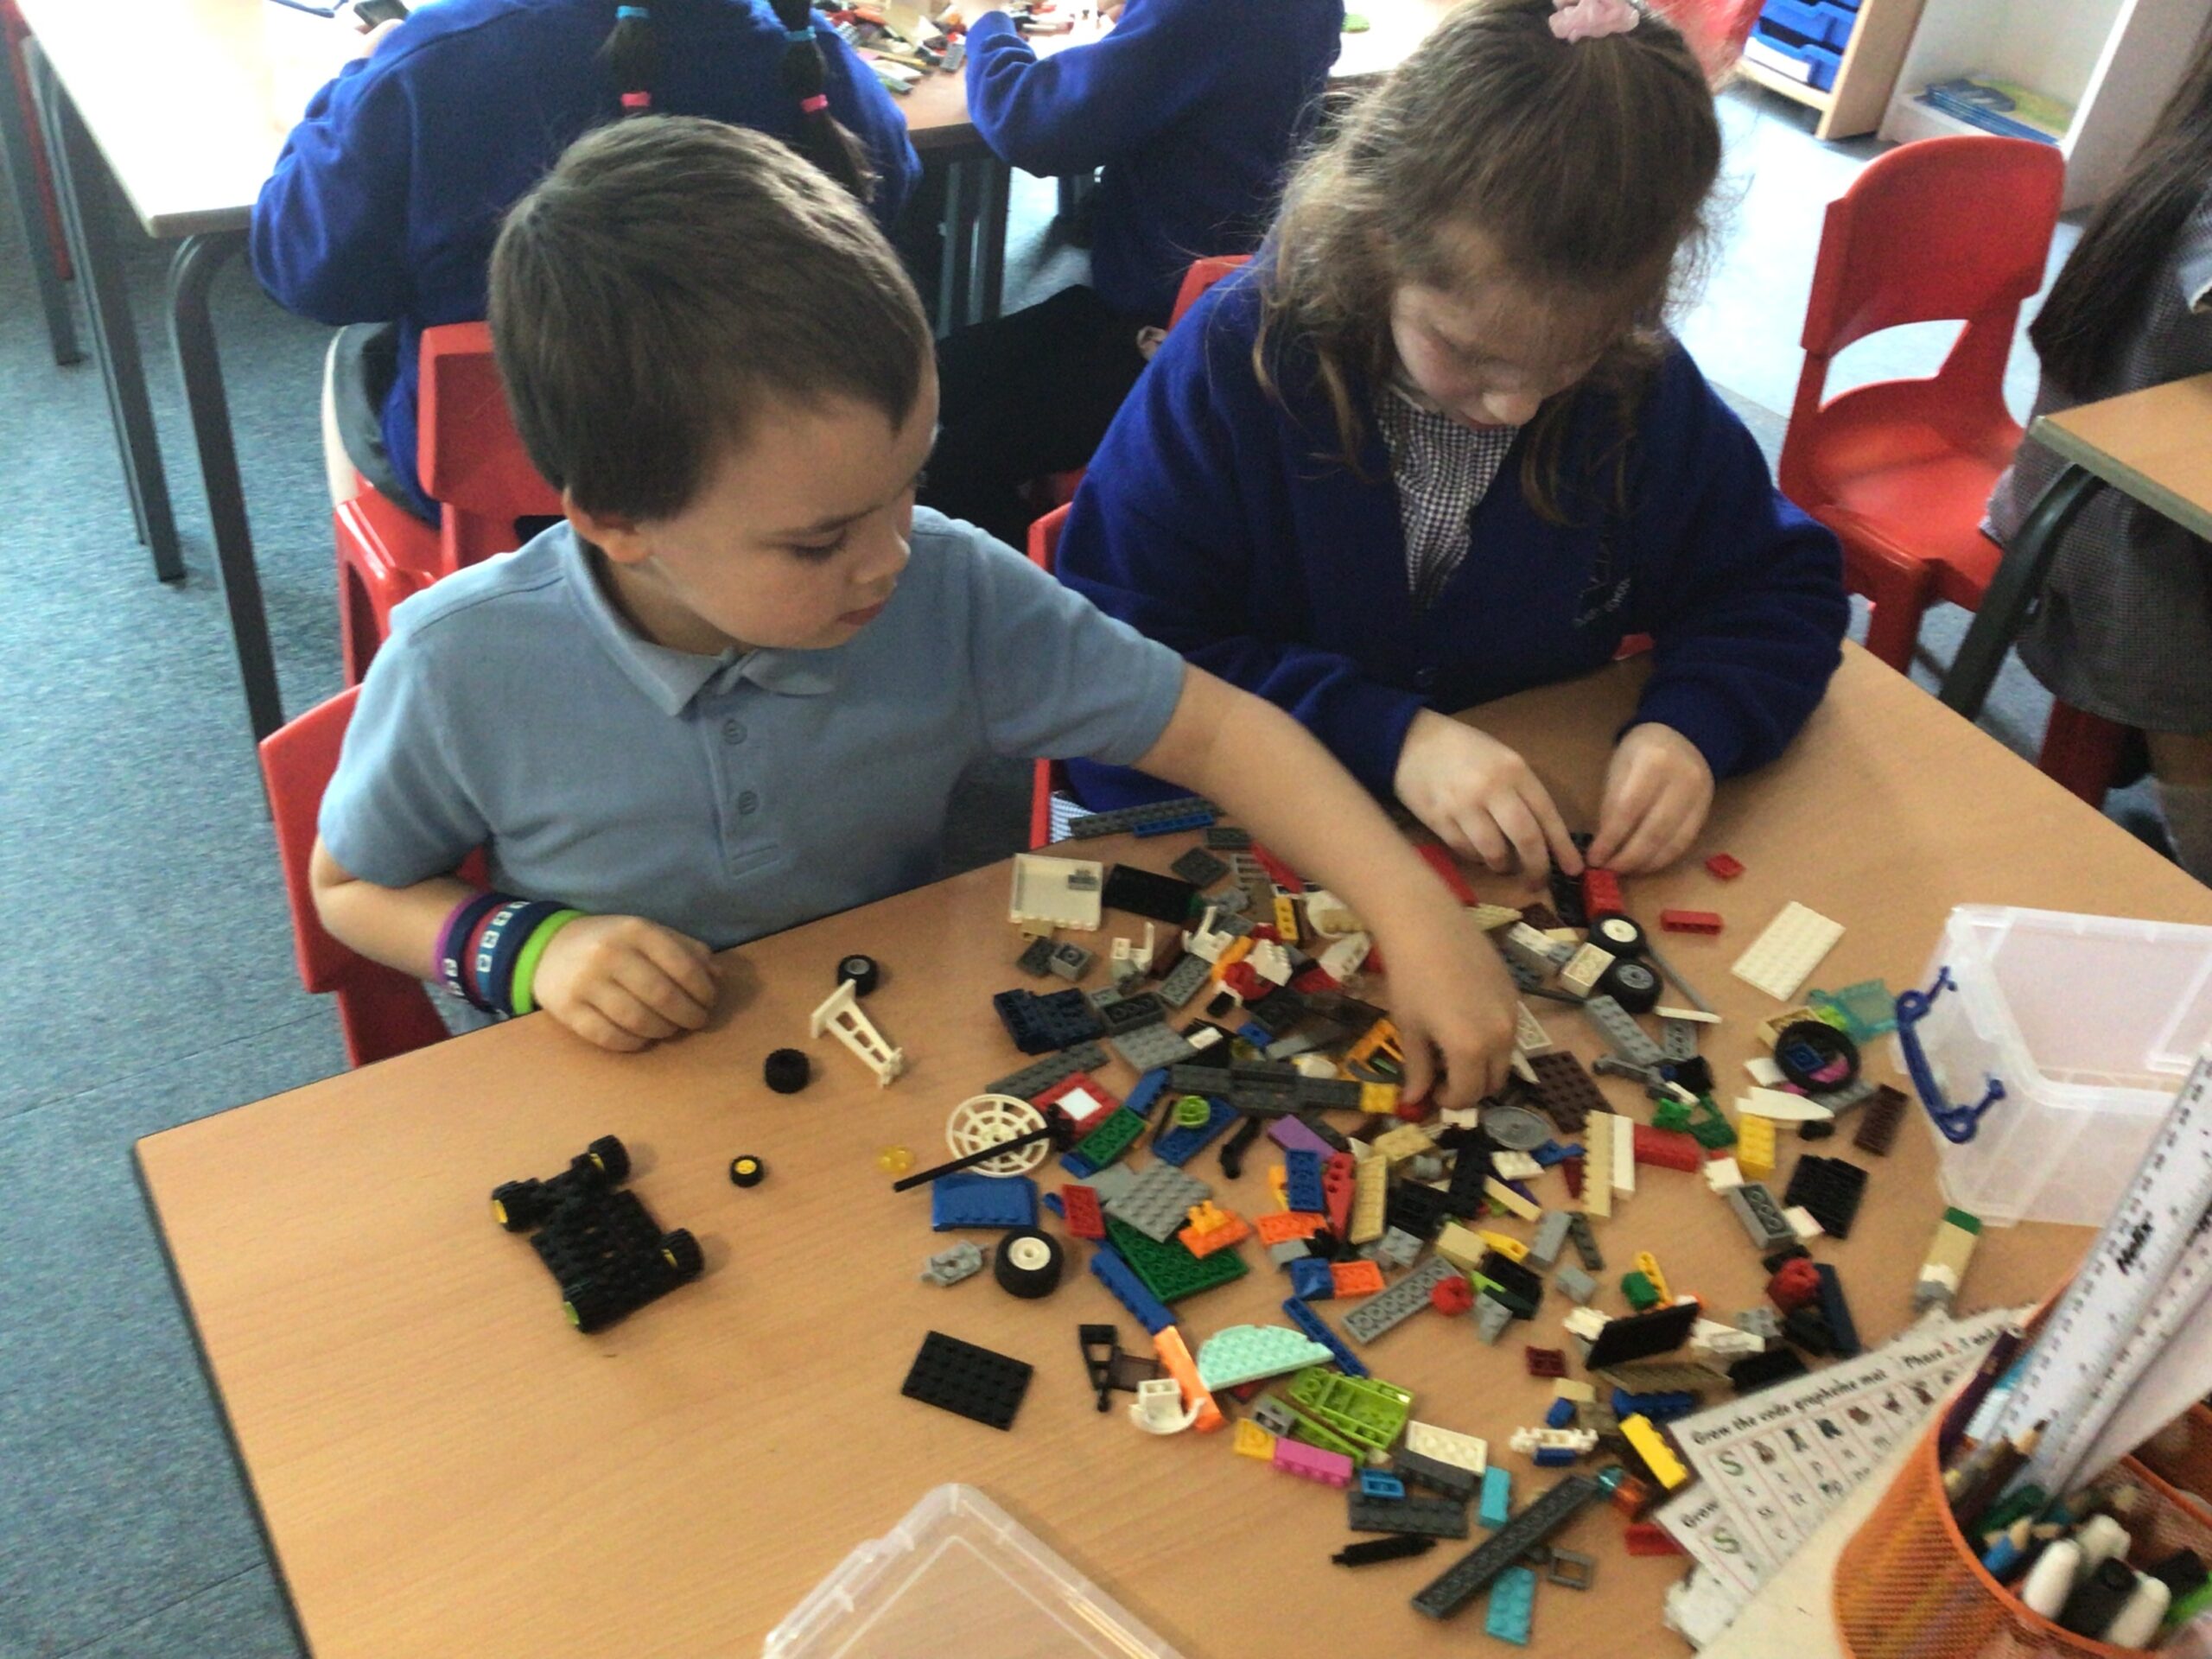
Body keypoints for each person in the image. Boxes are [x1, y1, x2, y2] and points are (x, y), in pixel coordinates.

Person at [309, 116, 1519, 1105]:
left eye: (910, 487)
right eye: (818, 540)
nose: (889, 559)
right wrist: (534, 950)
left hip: (876, 1057)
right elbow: (353, 888)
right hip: (610, 1092)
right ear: (618, 520)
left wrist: (1413, 915)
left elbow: (1216, 729)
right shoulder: (461, 664)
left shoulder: (951, 588)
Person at [1053, 0, 1848, 878]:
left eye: (1568, 358)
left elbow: (1777, 584)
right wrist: (1387, 735)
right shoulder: (1236, 366)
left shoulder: (1634, 378)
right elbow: (1118, 660)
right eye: (1468, 353)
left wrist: (1695, 724)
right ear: (1379, 241)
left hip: (1486, 858)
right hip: (1232, 837)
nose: (1515, 406)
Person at [251, 0, 919, 523]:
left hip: (505, 498)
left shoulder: (433, 59)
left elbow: (306, 272)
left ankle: (415, 628)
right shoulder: (812, 58)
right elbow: (884, 216)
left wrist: (352, 76)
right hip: (766, 485)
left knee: (353, 354)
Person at [916, 0, 1344, 546]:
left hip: (1171, 334)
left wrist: (988, 20)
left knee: (949, 461)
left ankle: (1048, 579)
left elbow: (1030, 124)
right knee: (934, 375)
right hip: (1211, 297)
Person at [1986, 34, 2212, 880]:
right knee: (2185, 667)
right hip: (2111, 534)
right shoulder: (2202, 201)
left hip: (2097, 491)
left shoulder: (2182, 153)